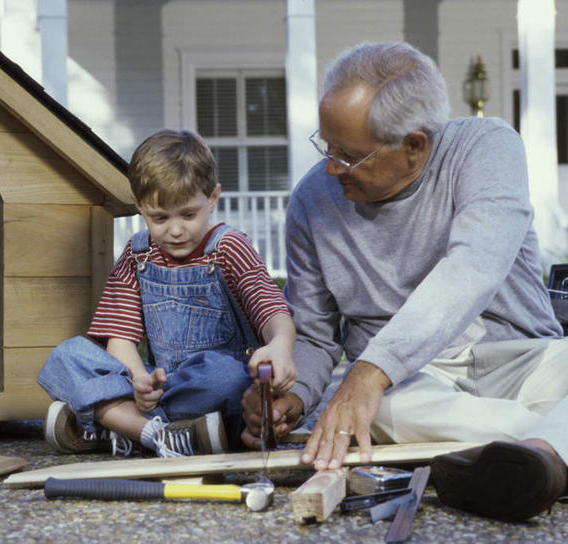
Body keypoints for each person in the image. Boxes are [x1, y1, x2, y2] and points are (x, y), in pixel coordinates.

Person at [241, 41, 568, 522]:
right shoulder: (312, 200)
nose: (331, 167)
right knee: (381, 412)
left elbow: (473, 265)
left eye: (348, 156)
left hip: (523, 361)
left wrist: (369, 371)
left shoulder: (487, 147)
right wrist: (294, 396)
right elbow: (313, 333)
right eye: (325, 146)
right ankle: (548, 453)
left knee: (368, 400)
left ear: (414, 145)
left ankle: (532, 453)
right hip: (414, 386)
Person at [38, 129, 297, 458]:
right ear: (139, 207)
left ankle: (115, 425)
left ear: (213, 198)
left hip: (208, 389)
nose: (175, 230)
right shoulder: (137, 255)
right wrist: (140, 381)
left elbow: (273, 310)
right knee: (67, 355)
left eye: (188, 214)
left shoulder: (228, 247)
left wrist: (280, 346)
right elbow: (120, 338)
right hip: (155, 386)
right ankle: (160, 433)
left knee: (226, 375)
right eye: (159, 218)